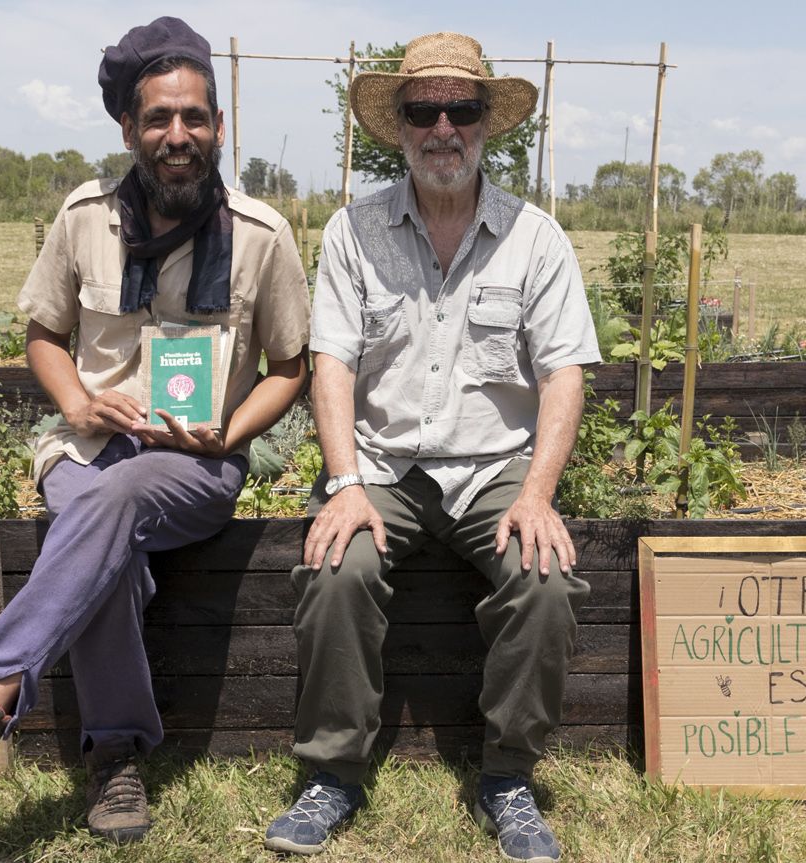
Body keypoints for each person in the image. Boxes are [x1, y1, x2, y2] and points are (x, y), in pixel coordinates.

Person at [0, 16, 310, 844]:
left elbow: (292, 368)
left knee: (115, 500)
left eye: (194, 117)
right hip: (83, 448)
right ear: (129, 128)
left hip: (194, 465)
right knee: (105, 521)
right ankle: (115, 760)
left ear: (219, 127)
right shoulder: (85, 216)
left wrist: (227, 434)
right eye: (158, 118)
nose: (177, 135)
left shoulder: (262, 237)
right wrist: (79, 405)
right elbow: (44, 336)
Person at [263, 31, 598, 863]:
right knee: (337, 567)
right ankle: (332, 773)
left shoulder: (535, 239)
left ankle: (508, 776)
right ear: (400, 125)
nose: (443, 127)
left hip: (494, 468)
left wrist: (535, 494)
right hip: (382, 463)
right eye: (424, 109)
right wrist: (342, 481)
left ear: (488, 122)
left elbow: (563, 376)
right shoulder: (354, 231)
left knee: (545, 579)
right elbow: (331, 364)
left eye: (463, 108)